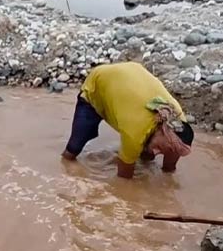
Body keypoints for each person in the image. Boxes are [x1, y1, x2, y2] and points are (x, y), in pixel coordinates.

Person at [62, 61, 194, 179]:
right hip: (97, 86)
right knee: (72, 151)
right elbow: (124, 179)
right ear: (162, 128)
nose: (156, 153)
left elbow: (170, 165)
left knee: (148, 153)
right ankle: (64, 174)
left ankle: (148, 145)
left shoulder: (178, 123)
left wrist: (169, 181)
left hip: (133, 71)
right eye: (159, 148)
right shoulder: (135, 132)